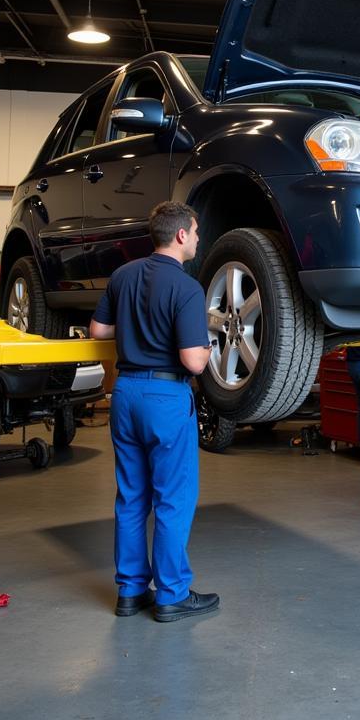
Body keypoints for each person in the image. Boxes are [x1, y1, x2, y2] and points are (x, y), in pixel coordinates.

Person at [90, 201, 218, 623]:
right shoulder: (187, 288)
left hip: (125, 393)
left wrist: (135, 324)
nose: (197, 239)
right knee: (172, 499)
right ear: (181, 235)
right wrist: (208, 340)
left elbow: (98, 331)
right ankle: (172, 595)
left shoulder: (123, 275)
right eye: (196, 232)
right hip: (165, 397)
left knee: (131, 496)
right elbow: (194, 362)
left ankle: (130, 592)